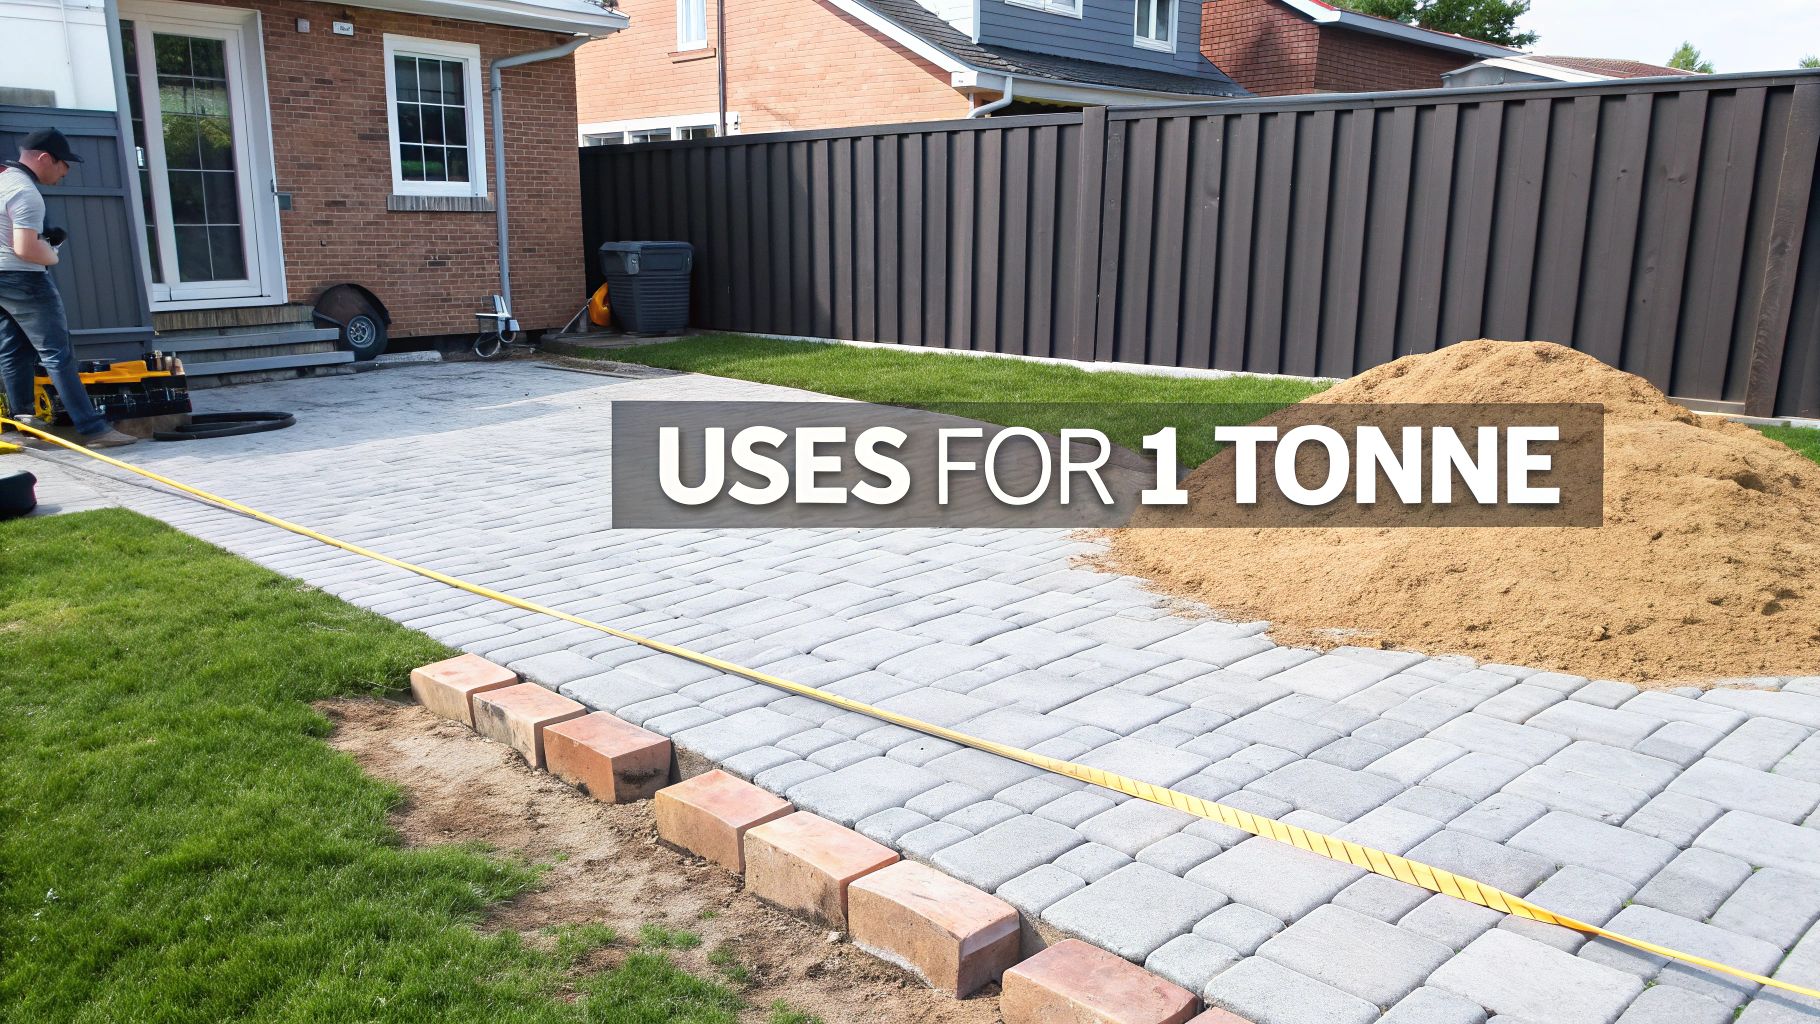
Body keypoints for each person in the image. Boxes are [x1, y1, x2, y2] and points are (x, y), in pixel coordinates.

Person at [0, 127, 136, 448]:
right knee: (57, 354)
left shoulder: (3, 180)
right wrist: (53, 252)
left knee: (13, 349)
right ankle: (93, 429)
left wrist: (44, 242)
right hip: (25, 279)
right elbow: (25, 249)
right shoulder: (26, 192)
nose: (65, 171)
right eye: (63, 164)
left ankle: (24, 425)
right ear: (45, 158)